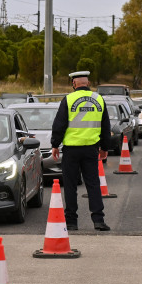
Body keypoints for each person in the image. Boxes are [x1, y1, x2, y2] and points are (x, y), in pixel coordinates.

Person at [50, 71, 112, 232]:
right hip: (91, 149)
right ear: (88, 83)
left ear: (74, 84)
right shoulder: (99, 99)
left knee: (70, 186)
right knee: (93, 184)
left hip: (71, 150)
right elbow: (106, 127)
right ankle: (98, 220)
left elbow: (60, 124)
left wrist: (55, 144)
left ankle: (71, 222)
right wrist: (105, 148)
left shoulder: (68, 99)